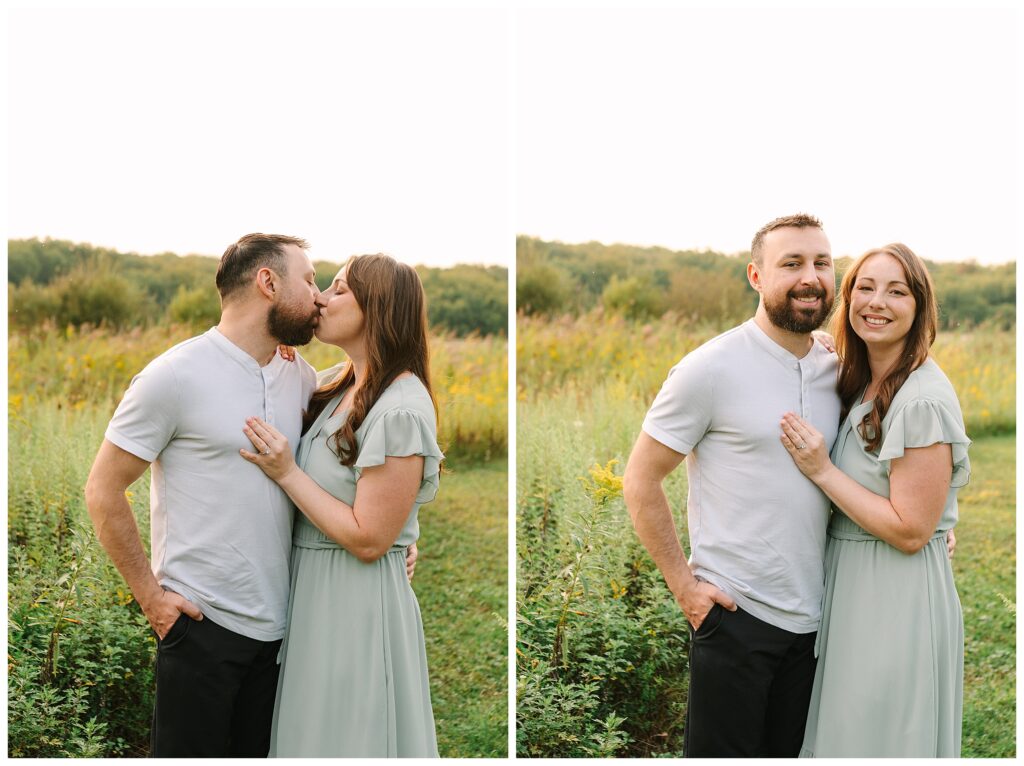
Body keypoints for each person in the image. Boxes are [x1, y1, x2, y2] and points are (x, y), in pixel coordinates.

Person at [83, 234, 416, 757]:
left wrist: (397, 537)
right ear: (268, 282)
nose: (319, 297)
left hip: (288, 633)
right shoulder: (172, 377)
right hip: (201, 628)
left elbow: (354, 471)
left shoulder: (303, 378)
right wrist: (153, 600)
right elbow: (102, 491)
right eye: (310, 281)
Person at [623, 213, 841, 757]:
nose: (809, 276)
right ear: (756, 276)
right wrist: (685, 588)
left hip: (822, 623)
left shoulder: (839, 368)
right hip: (736, 618)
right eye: (790, 263)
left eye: (821, 262)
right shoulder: (709, 369)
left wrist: (935, 526)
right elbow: (641, 480)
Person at [239, 253, 442, 757]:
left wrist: (286, 473)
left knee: (350, 736)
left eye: (338, 289)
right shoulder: (339, 383)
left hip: (355, 601)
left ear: (378, 308)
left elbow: (371, 539)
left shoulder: (401, 407)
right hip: (314, 594)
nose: (321, 298)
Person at [779, 243, 968, 757]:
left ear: (919, 305)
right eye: (865, 287)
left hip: (894, 599)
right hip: (856, 588)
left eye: (896, 290)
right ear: (848, 297)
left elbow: (909, 530)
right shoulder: (866, 376)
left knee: (878, 742)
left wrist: (821, 470)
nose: (877, 302)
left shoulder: (922, 397)